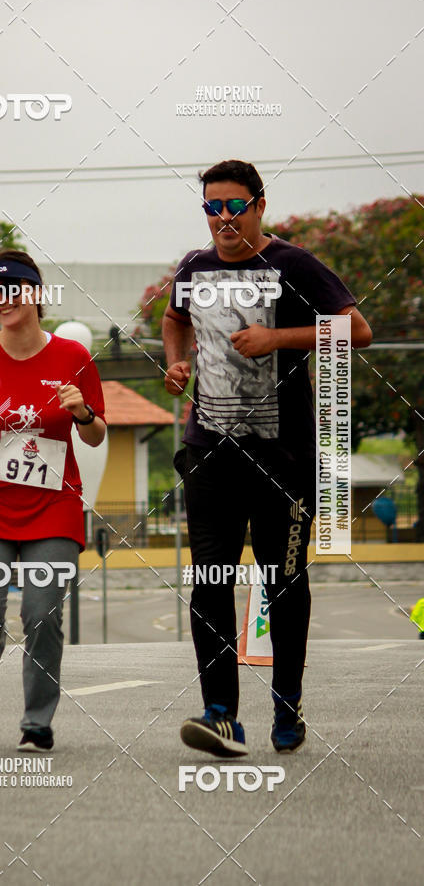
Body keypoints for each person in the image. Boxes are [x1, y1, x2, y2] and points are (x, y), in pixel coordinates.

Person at [162, 160, 372, 756]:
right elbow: (173, 319)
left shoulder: (292, 264)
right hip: (209, 450)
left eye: (234, 206)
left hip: (282, 456)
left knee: (282, 580)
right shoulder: (194, 267)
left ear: (259, 205)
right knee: (208, 580)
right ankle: (220, 713)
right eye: (212, 207)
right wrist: (177, 363)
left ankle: (288, 704)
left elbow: (357, 331)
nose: (223, 219)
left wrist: (277, 339)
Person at [0, 249, 106, 750]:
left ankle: (37, 721)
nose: (1, 301)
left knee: (41, 615)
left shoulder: (73, 358)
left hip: (54, 506)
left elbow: (97, 435)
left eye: (11, 289)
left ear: (34, 293)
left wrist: (81, 413)